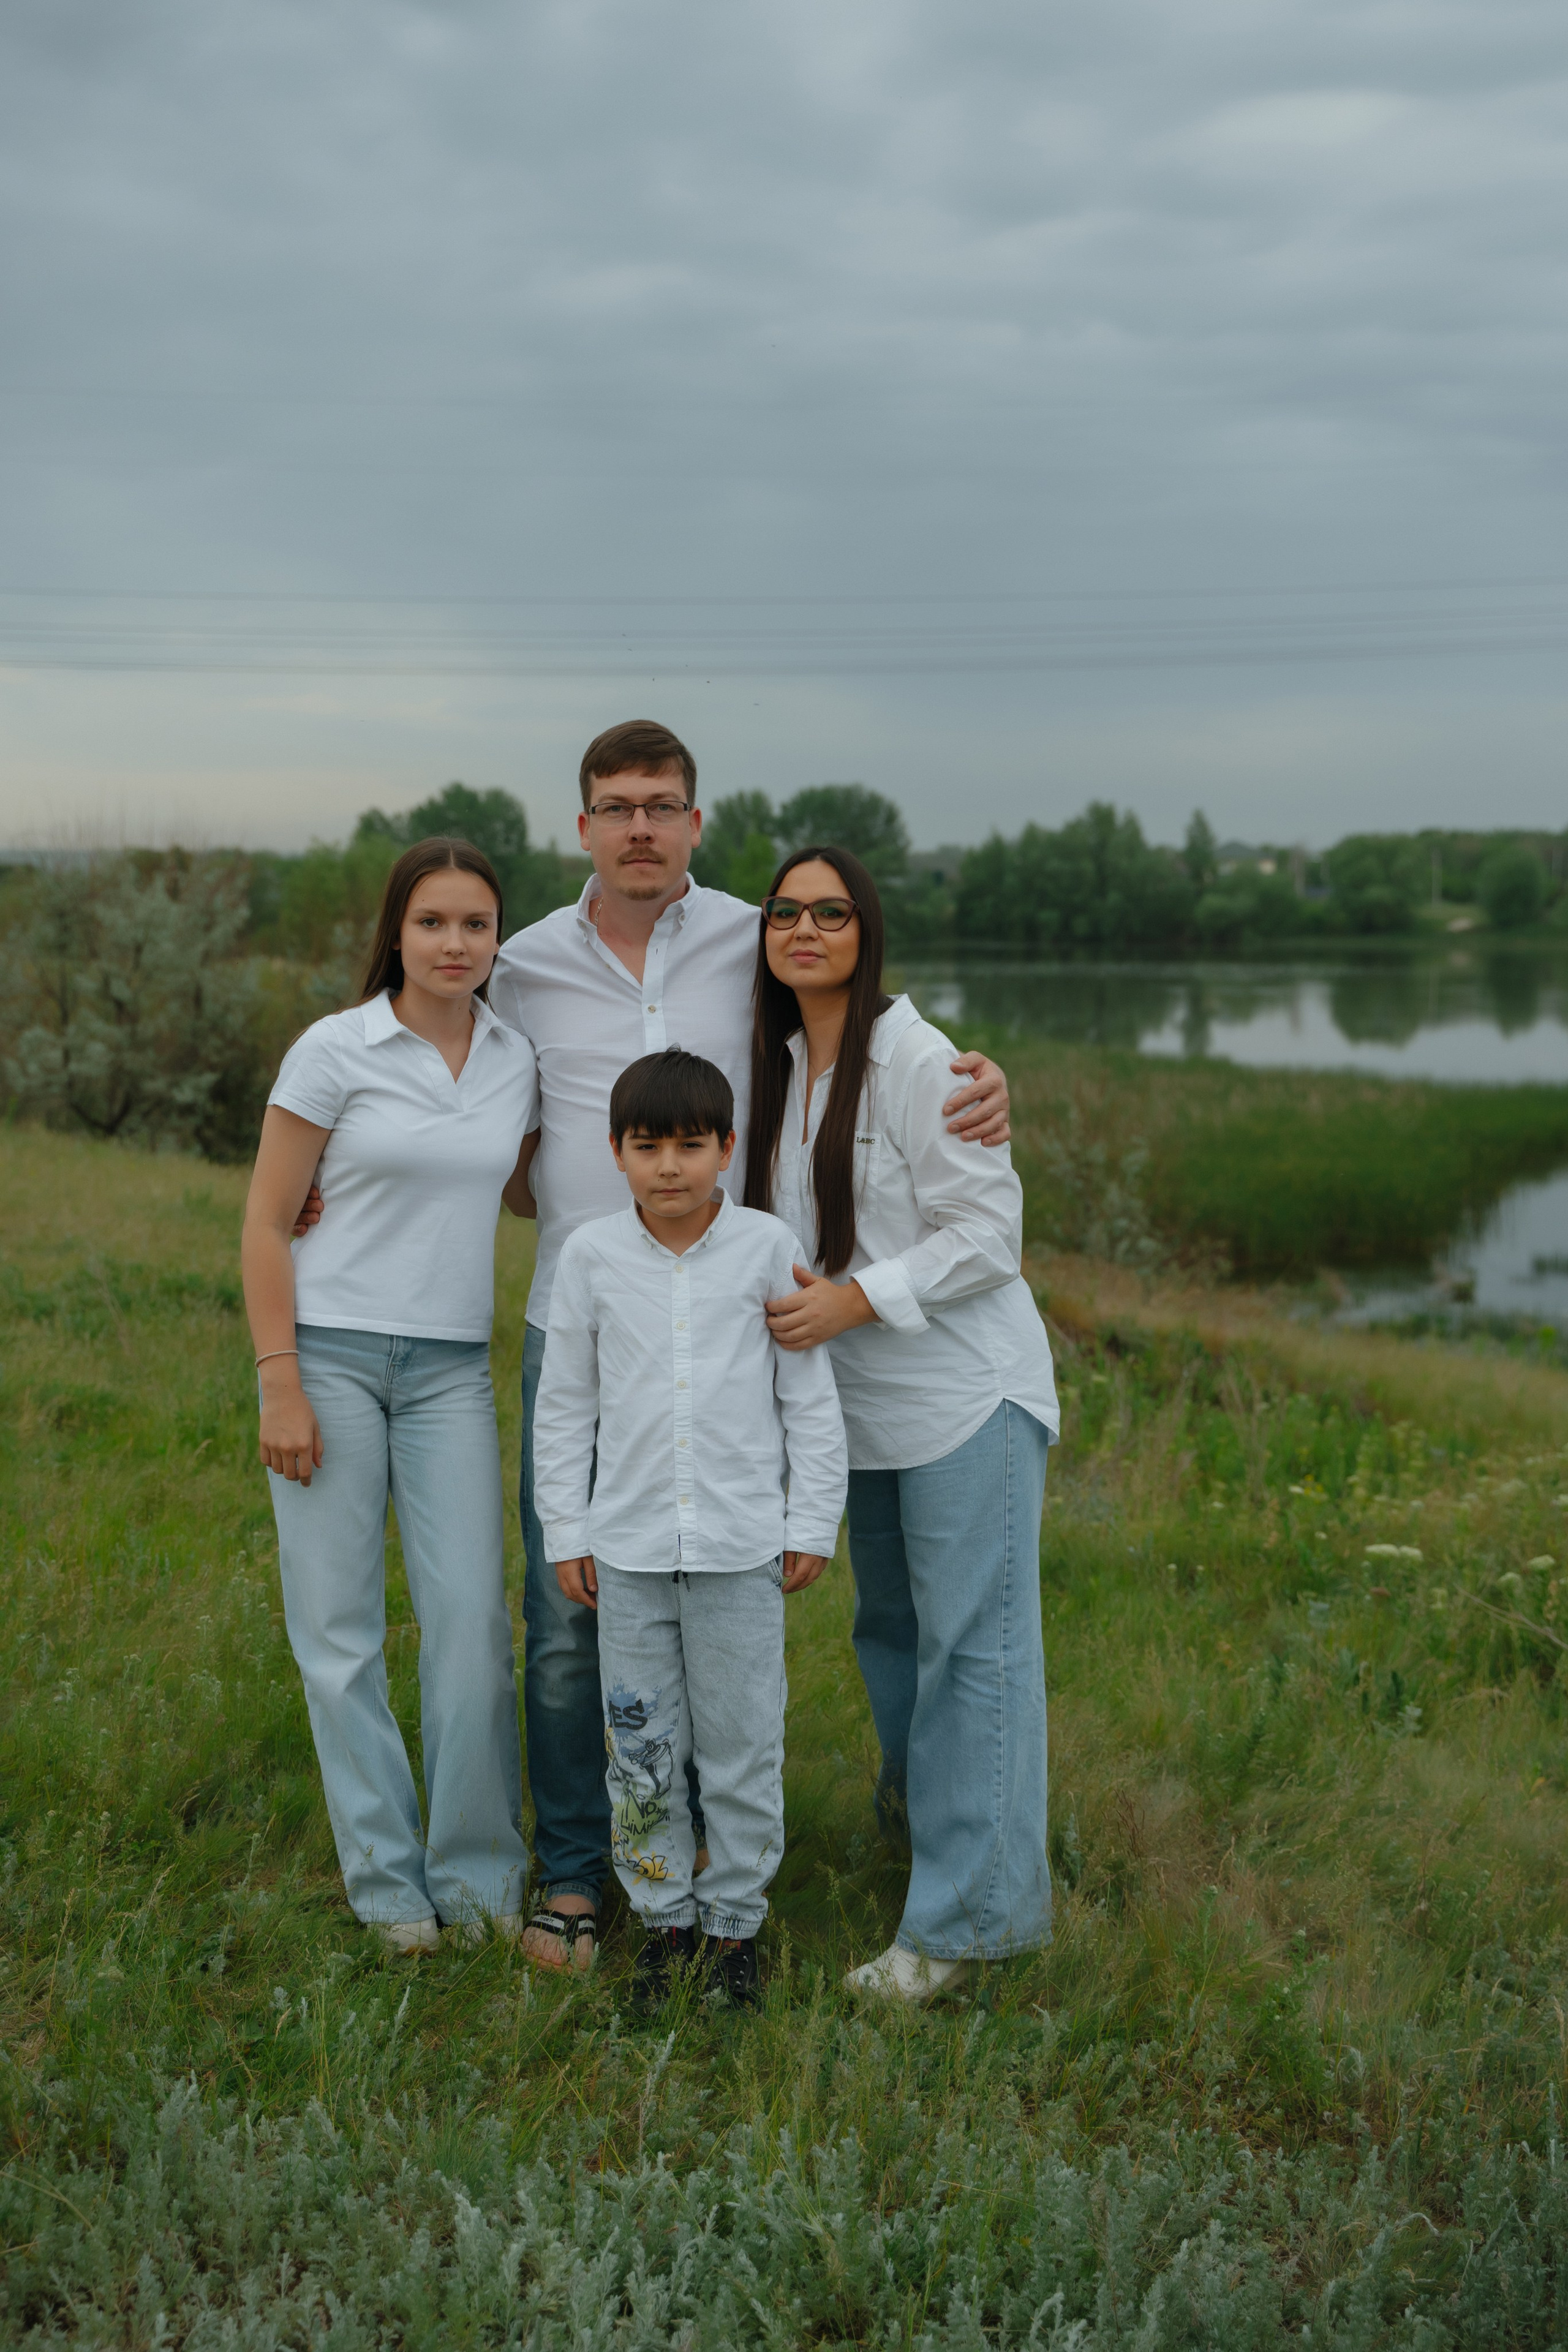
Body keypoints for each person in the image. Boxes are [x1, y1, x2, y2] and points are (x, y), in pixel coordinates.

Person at [483, 718, 1014, 1974]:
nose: (639, 828)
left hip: (731, 1322)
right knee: (573, 1621)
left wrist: (977, 1080)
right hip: (587, 1314)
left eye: (662, 805)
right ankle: (582, 1873)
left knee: (727, 1645)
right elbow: (427, 1051)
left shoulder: (750, 936)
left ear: (694, 822)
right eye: (614, 806)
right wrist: (322, 1170)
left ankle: (722, 1887)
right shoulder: (518, 962)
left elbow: (863, 1016)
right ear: (581, 827)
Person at [745, 845, 1060, 2003]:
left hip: (963, 1400)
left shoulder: (926, 1063)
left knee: (973, 1649)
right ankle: (934, 1839)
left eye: (832, 912)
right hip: (858, 1409)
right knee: (892, 1639)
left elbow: (989, 1240)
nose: (806, 929)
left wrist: (854, 1299)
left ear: (866, 930)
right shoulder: (776, 1065)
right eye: (786, 912)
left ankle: (970, 1926)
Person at [241, 839, 540, 1952]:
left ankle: (477, 1879)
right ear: (396, 934)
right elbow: (269, 1221)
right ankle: (385, 1882)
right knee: (341, 1632)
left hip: (452, 1370)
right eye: (433, 924)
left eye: (474, 924)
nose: (455, 944)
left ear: (497, 936)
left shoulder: (518, 1058)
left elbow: (527, 1187)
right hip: (328, 1356)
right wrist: (281, 1384)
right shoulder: (336, 1049)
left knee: (470, 1623)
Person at [530, 1048, 847, 2008]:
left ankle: (734, 1932)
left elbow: (810, 1399)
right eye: (648, 1145)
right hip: (624, 1555)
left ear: (726, 1149)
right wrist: (566, 1530)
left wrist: (812, 1520)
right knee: (641, 1748)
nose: (670, 1166)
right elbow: (565, 1408)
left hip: (740, 1550)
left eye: (691, 1145)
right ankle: (664, 1927)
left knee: (744, 1745)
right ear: (617, 1153)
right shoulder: (590, 1257)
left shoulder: (762, 1247)